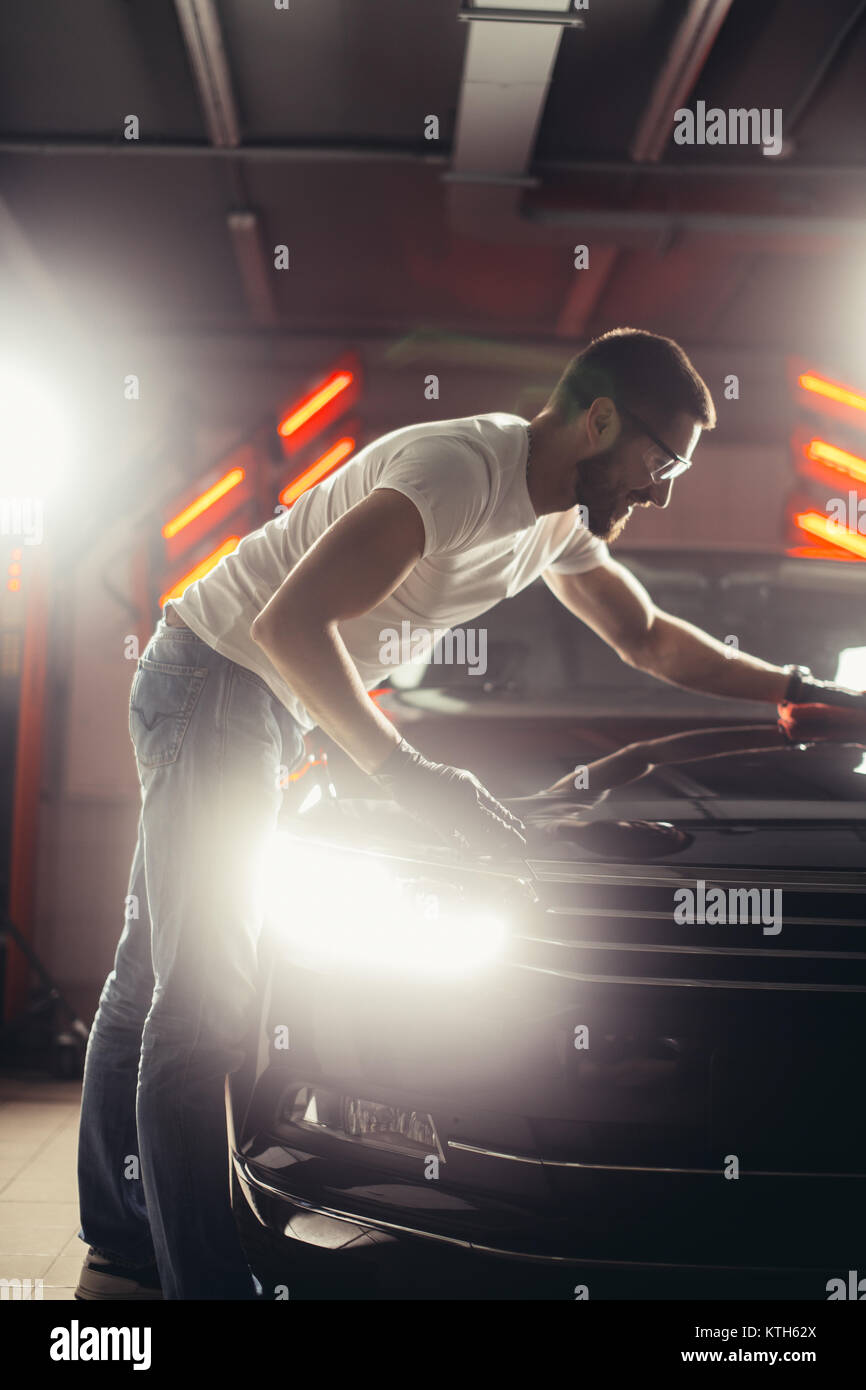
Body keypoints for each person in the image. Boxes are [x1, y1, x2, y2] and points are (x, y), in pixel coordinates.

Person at [74, 327, 863, 1300]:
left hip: (246, 691)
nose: (660, 488)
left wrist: (794, 686)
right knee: (205, 1001)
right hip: (220, 679)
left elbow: (648, 637)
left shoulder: (557, 520)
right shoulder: (458, 469)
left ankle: (118, 1228)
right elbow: (286, 622)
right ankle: (203, 1281)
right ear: (601, 420)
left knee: (148, 968)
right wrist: (408, 774)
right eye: (660, 461)